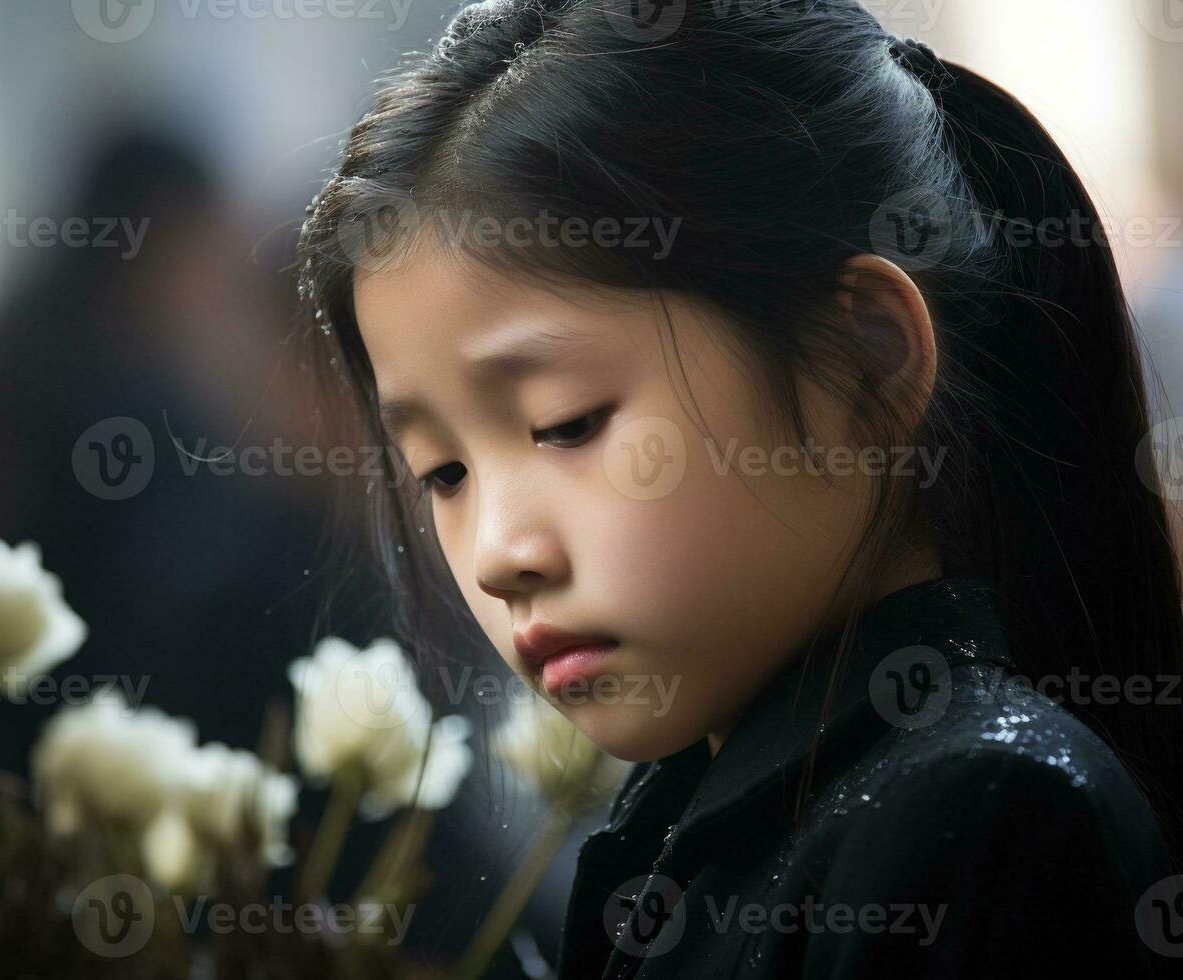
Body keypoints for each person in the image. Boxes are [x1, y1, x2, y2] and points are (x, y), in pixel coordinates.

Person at [289, 1, 1183, 976]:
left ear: (863, 362)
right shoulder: (698, 817)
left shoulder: (980, 816)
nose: (502, 553)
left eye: (568, 423)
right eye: (443, 473)